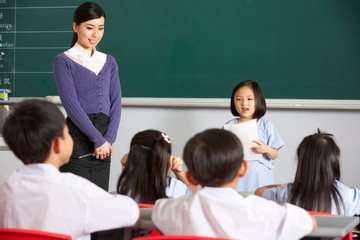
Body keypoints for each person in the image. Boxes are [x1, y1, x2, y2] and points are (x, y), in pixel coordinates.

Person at [0, 99, 139, 240]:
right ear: (58, 144)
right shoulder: (77, 190)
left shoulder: (5, 186)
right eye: (68, 133)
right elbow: (131, 212)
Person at [152, 129, 316, 239]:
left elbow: (156, 213)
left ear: (191, 177)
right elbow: (311, 223)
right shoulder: (263, 212)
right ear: (243, 168)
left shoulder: (167, 210)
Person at [53, 1, 121, 190]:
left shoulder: (109, 62)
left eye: (100, 28)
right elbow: (71, 105)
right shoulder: (63, 61)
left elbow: (116, 102)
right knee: (75, 202)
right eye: (89, 28)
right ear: (75, 27)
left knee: (99, 204)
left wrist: (108, 140)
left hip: (104, 143)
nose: (95, 34)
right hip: (78, 139)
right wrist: (98, 139)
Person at [255, 129, 360, 216]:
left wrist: (282, 185)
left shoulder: (286, 193)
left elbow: (259, 192)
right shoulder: (349, 196)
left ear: (300, 162)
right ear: (334, 162)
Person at [223, 80, 284, 192]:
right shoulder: (229, 126)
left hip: (260, 178)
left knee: (260, 204)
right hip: (237, 177)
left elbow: (274, 154)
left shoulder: (265, 125)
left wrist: (267, 149)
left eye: (249, 99)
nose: (244, 104)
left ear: (258, 101)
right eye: (238, 99)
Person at [117, 129, 195, 204]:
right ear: (168, 163)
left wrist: (124, 166)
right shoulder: (177, 188)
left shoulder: (125, 187)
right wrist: (178, 171)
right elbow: (193, 193)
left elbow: (127, 179)